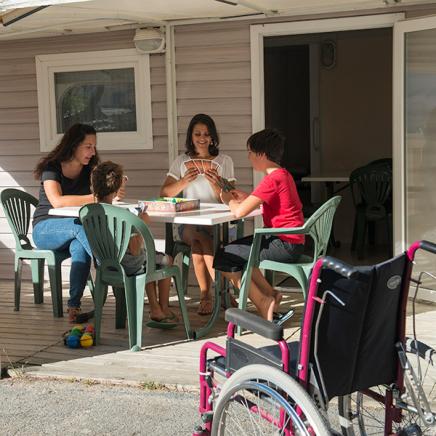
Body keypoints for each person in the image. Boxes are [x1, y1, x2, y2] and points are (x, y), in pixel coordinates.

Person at [214, 129, 305, 321]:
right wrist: (246, 197)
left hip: (283, 244)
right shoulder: (283, 175)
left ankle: (263, 302)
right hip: (292, 242)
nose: (248, 157)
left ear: (261, 154)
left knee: (225, 256)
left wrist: (226, 199)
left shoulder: (272, 179)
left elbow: (239, 213)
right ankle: (271, 294)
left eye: (250, 152)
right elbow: (269, 201)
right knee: (239, 252)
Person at [160, 114, 236, 315]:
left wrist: (215, 183)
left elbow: (232, 196)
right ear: (190, 137)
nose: (202, 138)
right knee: (199, 237)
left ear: (212, 137)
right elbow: (164, 193)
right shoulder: (181, 161)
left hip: (217, 223)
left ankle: (206, 296)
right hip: (189, 223)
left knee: (198, 245)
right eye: (197, 134)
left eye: (206, 134)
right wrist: (183, 182)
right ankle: (223, 293)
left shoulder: (224, 161)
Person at [91, 161, 177, 328]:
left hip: (105, 265)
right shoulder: (122, 216)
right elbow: (135, 249)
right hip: (130, 265)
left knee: (148, 259)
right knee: (166, 259)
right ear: (116, 190)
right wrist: (140, 223)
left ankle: (156, 309)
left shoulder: (91, 212)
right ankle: (163, 309)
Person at [33, 123, 100, 323]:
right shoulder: (52, 167)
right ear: (74, 146)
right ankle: (107, 263)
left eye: (94, 146)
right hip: (45, 229)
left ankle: (73, 307)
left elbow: (100, 195)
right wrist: (94, 197)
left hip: (73, 231)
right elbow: (57, 201)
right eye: (88, 146)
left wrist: (114, 190)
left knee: (80, 246)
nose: (93, 151)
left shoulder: (90, 169)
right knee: (78, 227)